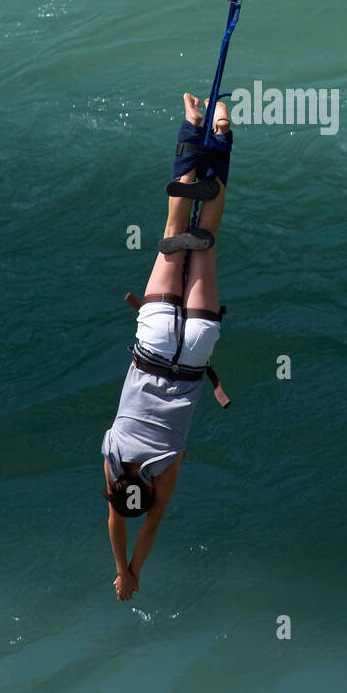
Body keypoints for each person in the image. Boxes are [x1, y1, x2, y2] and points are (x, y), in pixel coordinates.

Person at [101, 92, 232, 603]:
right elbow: (118, 522)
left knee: (208, 233)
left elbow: (148, 527)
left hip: (194, 350)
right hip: (155, 337)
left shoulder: (165, 470)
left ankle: (220, 127)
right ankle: (191, 123)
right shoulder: (113, 458)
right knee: (175, 231)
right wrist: (121, 567)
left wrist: (135, 569)